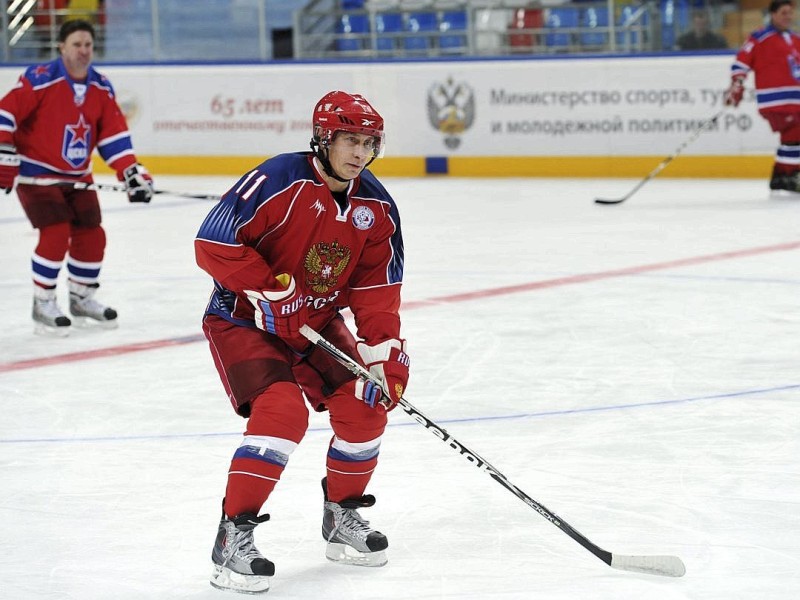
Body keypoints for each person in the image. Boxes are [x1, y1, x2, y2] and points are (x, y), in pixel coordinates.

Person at [194, 90, 410, 594]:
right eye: (350, 140)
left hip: (316, 320)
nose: (360, 152)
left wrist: (385, 356)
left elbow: (377, 291)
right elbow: (213, 242)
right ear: (323, 137)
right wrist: (268, 289)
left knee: (365, 403)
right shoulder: (278, 179)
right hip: (244, 318)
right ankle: (232, 538)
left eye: (369, 142)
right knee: (282, 412)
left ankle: (342, 517)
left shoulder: (377, 207)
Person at [0, 19, 153, 336]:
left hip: (78, 177)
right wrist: (3, 150)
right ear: (62, 47)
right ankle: (42, 303)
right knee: (55, 234)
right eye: (77, 45)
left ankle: (82, 297)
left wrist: (130, 172)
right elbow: (6, 112)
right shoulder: (40, 79)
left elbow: (113, 136)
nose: (84, 51)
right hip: (36, 174)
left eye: (88, 45)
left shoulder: (101, 86)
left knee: (92, 235)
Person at [724, 0, 800, 192]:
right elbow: (741, 63)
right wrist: (737, 85)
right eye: (784, 13)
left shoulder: (795, 39)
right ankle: (790, 175)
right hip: (776, 100)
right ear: (772, 14)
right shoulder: (759, 37)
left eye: (790, 13)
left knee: (791, 136)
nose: (788, 17)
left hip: (795, 99)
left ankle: (781, 176)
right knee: (796, 133)